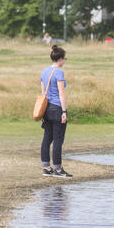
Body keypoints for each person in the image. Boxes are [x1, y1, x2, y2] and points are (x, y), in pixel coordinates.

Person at [40, 45, 73, 178]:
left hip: (46, 108)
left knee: (47, 138)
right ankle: (58, 169)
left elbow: (43, 92)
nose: (65, 61)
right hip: (57, 108)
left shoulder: (44, 71)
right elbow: (61, 93)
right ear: (59, 59)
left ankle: (46, 167)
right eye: (64, 58)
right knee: (58, 139)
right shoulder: (59, 72)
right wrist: (64, 111)